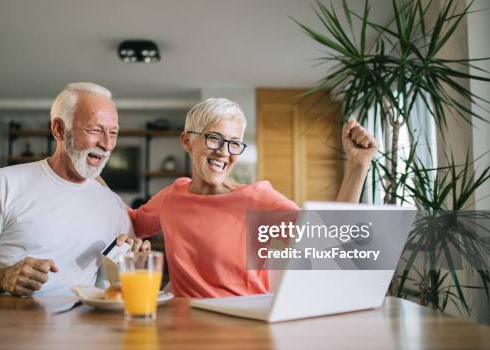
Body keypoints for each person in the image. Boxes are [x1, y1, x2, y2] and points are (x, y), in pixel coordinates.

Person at [127, 98, 378, 298]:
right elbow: (133, 222)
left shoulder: (257, 199)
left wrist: (357, 167)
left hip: (244, 327)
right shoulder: (172, 197)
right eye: (214, 138)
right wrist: (90, 174)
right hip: (185, 328)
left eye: (234, 143)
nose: (224, 152)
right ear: (187, 141)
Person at [0, 82, 147, 297]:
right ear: (59, 129)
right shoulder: (3, 183)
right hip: (8, 326)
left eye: (113, 133)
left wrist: (134, 262)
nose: (107, 144)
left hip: (82, 326)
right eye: (95, 130)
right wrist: (2, 277)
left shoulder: (113, 205)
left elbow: (115, 283)